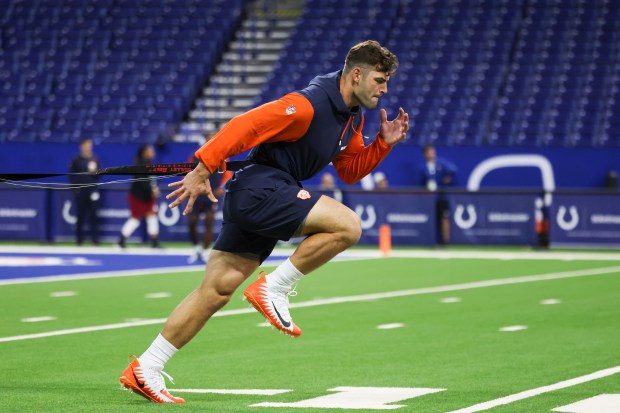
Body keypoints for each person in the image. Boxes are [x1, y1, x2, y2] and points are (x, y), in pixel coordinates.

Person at [119, 40, 409, 404]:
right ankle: (274, 288)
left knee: (217, 290)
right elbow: (245, 125)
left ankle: (146, 367)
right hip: (262, 188)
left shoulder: (353, 117)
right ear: (356, 74)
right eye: (380, 80)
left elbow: (349, 171)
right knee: (348, 225)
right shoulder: (307, 105)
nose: (385, 90)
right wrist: (203, 168)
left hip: (263, 194)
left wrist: (382, 144)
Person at [186, 136, 231, 263]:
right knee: (192, 221)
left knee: (209, 221)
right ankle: (196, 249)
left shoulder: (221, 156)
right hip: (196, 193)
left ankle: (206, 251)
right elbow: (188, 174)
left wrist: (221, 188)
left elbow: (227, 174)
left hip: (211, 194)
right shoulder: (194, 157)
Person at [117, 144, 162, 249]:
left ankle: (154, 242)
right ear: (144, 152)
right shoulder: (139, 164)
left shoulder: (150, 164)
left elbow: (151, 180)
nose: (153, 153)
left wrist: (154, 189)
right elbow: (142, 182)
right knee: (135, 219)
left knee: (152, 217)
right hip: (138, 196)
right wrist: (151, 191)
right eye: (150, 151)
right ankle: (121, 240)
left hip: (148, 196)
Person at [419, 144, 457, 245]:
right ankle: (432, 241)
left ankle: (445, 242)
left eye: (433, 151)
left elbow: (453, 170)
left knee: (445, 218)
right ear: (425, 154)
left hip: (442, 196)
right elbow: (422, 182)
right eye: (429, 152)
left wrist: (446, 180)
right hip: (430, 198)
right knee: (432, 218)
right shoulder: (424, 168)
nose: (432, 154)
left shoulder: (441, 163)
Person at [68, 138, 101, 245]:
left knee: (94, 216)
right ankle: (79, 239)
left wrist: (95, 172)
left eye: (90, 145)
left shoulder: (95, 159)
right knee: (80, 216)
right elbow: (71, 175)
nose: (88, 147)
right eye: (87, 145)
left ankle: (95, 239)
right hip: (81, 191)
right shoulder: (76, 160)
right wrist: (75, 188)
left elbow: (100, 175)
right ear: (81, 146)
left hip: (92, 191)